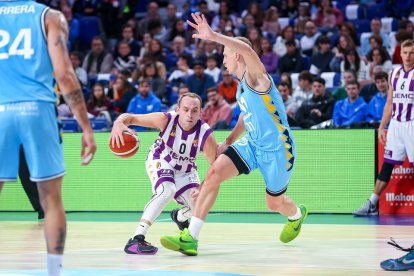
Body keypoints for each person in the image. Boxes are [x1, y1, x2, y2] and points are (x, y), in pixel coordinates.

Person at [160, 13, 308, 256]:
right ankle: (190, 237)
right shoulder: (241, 85)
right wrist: (229, 139)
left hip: (278, 151)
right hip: (251, 144)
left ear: (237, 54)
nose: (223, 60)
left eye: (226, 55)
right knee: (214, 172)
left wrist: (215, 36)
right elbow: (245, 115)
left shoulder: (258, 78)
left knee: (274, 204)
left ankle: (297, 215)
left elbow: (249, 51)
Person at [0, 2, 97, 276]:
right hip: (37, 110)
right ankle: (54, 272)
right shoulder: (49, 16)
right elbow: (64, 75)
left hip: (1, 109)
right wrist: (86, 127)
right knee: (51, 200)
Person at [109, 93, 218, 254]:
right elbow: (130, 117)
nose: (189, 114)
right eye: (186, 109)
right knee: (167, 190)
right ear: (178, 109)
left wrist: (202, 187)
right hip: (161, 158)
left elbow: (216, 168)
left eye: (194, 110)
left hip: (186, 170)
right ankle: (136, 239)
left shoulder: (205, 134)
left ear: (201, 112)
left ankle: (180, 217)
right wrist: (118, 122)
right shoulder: (165, 119)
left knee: (200, 205)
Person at [353, 39, 414, 216]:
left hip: (412, 123)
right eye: (405, 52)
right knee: (387, 164)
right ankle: (372, 203)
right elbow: (389, 103)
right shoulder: (394, 73)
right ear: (400, 54)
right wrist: (382, 127)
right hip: (396, 124)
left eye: (411, 53)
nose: (408, 56)